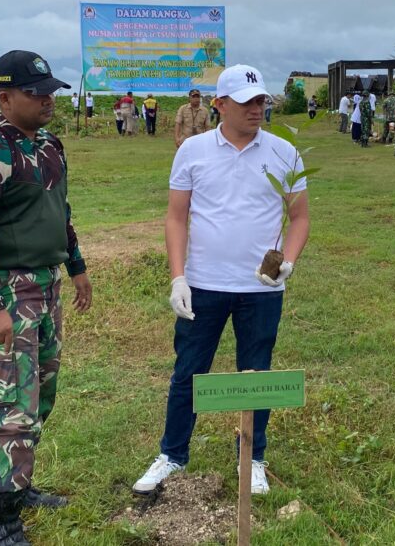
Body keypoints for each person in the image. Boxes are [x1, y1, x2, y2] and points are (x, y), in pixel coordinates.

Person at [132, 63, 310, 497]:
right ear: (220, 104)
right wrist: (178, 278)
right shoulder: (192, 151)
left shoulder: (284, 152)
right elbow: (177, 218)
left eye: (261, 101)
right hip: (204, 285)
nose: (256, 109)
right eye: (247, 102)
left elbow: (300, 216)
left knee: (257, 372)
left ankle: (251, 458)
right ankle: (172, 454)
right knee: (189, 371)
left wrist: (287, 260)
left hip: (261, 288)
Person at [0, 49, 93, 545]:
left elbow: (61, 209)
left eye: (49, 90)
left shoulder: (51, 144)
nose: (46, 100)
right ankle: (2, 523)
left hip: (46, 285)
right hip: (8, 292)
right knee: (12, 401)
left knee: (42, 393)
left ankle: (21, 484)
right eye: (35, 93)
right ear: (5, 96)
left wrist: (75, 267)